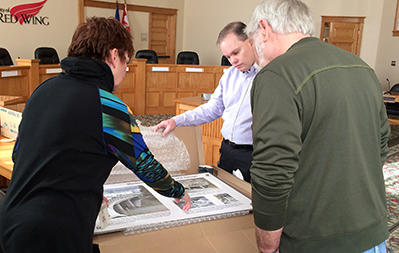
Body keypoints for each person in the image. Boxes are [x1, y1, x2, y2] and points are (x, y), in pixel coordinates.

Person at [0, 17, 191, 253]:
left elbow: (21, 154)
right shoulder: (108, 105)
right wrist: (178, 191)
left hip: (12, 219)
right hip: (56, 233)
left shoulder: (42, 90)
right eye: (126, 62)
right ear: (113, 56)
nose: (126, 69)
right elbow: (144, 164)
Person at [246, 0, 390, 252]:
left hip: (314, 240)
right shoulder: (361, 66)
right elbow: (379, 144)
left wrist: (267, 245)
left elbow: (273, 168)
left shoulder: (277, 74)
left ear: (264, 29)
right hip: (373, 233)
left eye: (253, 38)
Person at [154, 21, 257, 182]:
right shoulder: (229, 75)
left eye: (236, 52)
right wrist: (176, 120)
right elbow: (211, 109)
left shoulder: (268, 75)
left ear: (251, 40)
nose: (233, 60)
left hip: (253, 154)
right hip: (228, 150)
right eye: (228, 57)